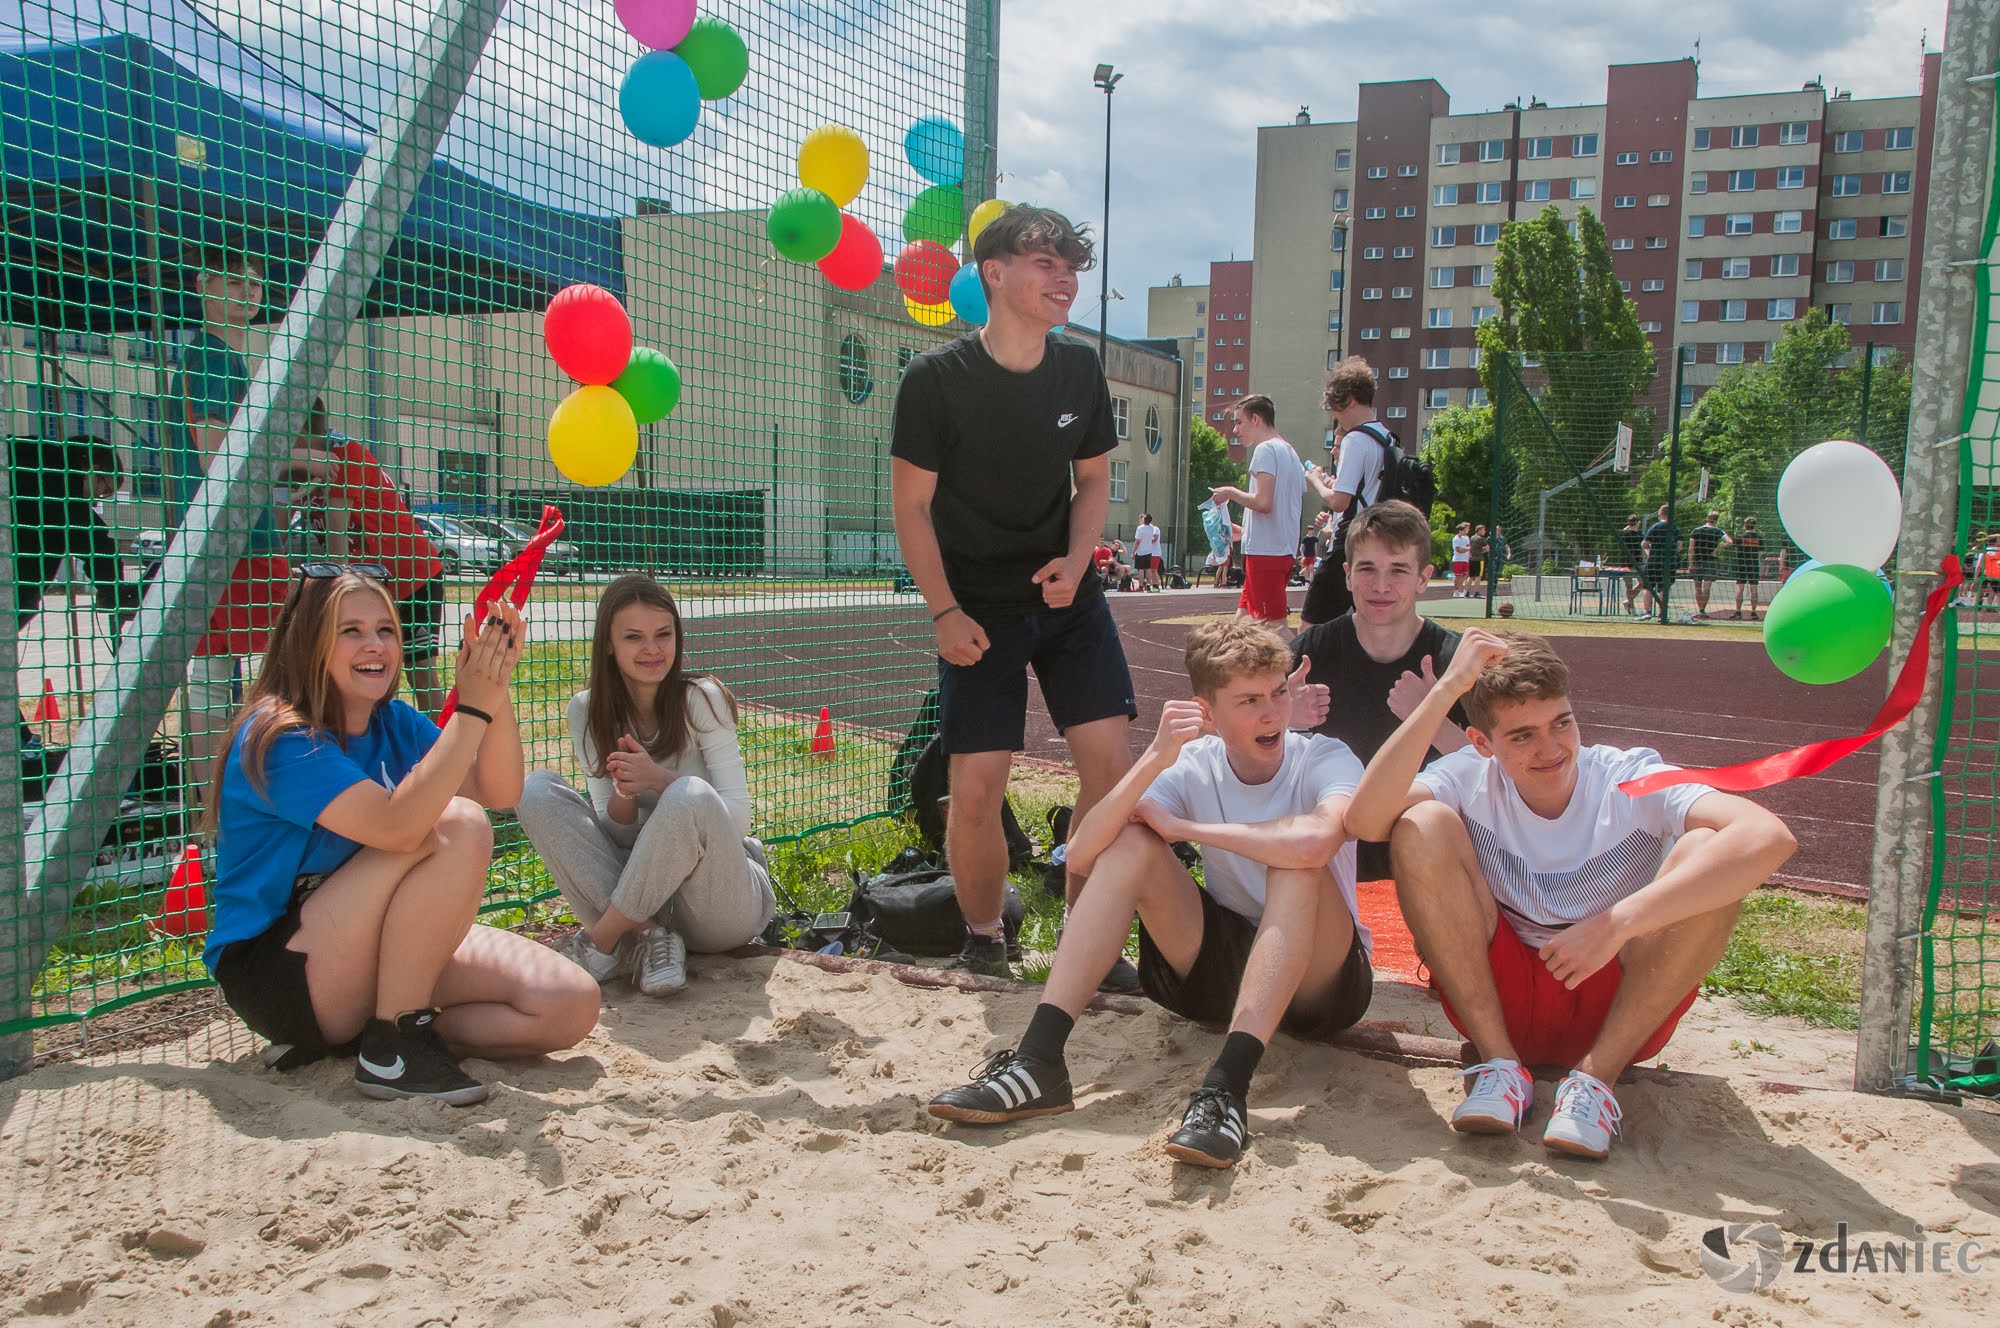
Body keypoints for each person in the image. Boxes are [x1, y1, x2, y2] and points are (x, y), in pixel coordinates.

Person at [926, 621, 1371, 1169]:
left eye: (1279, 692)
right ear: (1206, 712)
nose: (1273, 713)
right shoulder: (1193, 764)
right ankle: (1038, 1060)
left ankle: (1225, 1090)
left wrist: (1188, 831)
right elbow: (1084, 854)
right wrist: (1153, 759)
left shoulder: (1324, 755)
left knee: (1295, 863)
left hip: (1322, 986)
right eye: (1250, 700)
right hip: (1225, 972)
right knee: (1131, 842)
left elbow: (1315, 843)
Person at [1345, 629, 1796, 1160]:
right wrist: (1445, 691)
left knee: (1711, 847)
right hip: (1499, 1003)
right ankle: (1500, 1069)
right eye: (1522, 736)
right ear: (1483, 745)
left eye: (1562, 722)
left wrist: (1616, 923)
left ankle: (1594, 1084)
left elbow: (1769, 838)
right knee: (1420, 822)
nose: (1551, 748)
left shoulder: (1628, 777)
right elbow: (1364, 818)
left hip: (1620, 1006)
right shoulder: (1468, 775)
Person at [203, 567, 598, 1104]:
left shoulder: (393, 721)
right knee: (455, 823)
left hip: (370, 947)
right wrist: (471, 708)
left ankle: (383, 1031)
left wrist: (493, 690)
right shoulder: (280, 737)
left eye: (385, 629)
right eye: (351, 631)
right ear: (307, 642)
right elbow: (398, 826)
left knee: (567, 1003)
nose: (375, 645)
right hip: (284, 972)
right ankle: (394, 1046)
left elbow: (500, 789)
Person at [890, 205, 1137, 981]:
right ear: (993, 273)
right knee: (976, 787)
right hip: (979, 611)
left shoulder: (1080, 370)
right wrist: (944, 610)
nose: (1065, 279)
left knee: (1109, 767)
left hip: (1070, 600)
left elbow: (1092, 477)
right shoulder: (935, 380)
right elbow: (911, 505)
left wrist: (1075, 557)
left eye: (1071, 266)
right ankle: (985, 940)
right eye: (1046, 263)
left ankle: (1085, 942)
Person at [517, 575, 776, 998]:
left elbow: (738, 820)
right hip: (645, 900)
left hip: (718, 905)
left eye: (663, 634)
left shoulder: (703, 698)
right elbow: (616, 831)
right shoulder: (587, 711)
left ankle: (600, 942)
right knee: (535, 790)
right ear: (609, 644)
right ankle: (651, 938)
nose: (652, 649)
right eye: (634, 637)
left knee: (689, 793)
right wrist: (625, 791)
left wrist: (661, 781)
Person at [166, 251, 326, 794]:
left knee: (218, 681)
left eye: (255, 282)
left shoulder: (217, 359)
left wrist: (286, 484)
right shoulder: (211, 359)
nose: (248, 291)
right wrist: (309, 459)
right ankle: (245, 798)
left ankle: (215, 809)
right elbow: (218, 456)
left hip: (227, 540)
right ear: (201, 284)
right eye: (233, 280)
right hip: (233, 547)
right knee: (280, 674)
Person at [1288, 500, 1470, 881]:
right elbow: (1226, 744)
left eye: (1398, 570)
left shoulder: (1458, 664)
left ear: (1424, 577)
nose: (1381, 586)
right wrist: (1280, 719)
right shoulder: (1306, 658)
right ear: (1348, 575)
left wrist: (1432, 716)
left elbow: (1503, 774)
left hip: (1427, 859)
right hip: (1329, 859)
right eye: (1367, 569)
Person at [313, 402, 449, 714]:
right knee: (372, 677)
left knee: (420, 672)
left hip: (411, 577)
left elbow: (337, 551)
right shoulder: (298, 469)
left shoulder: (342, 456)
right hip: (376, 585)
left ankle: (447, 752)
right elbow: (279, 529)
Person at [1299, 357, 1391, 626]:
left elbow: (1339, 502)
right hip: (1378, 538)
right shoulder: (1385, 436)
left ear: (1348, 400)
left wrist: (1315, 481)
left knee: (1310, 629)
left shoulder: (1355, 439)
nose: (1334, 414)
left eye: (1333, 407)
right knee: (1362, 626)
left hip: (1349, 544)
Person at [9, 434, 136, 629]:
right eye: (103, 489)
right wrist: (114, 591)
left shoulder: (23, 460)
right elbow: (96, 543)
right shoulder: (56, 482)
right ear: (93, 470)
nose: (95, 501)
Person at [1208, 395, 1305, 636]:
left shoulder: (1265, 450)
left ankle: (1303, 673)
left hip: (1266, 553)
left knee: (1274, 627)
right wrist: (1243, 531)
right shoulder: (1291, 453)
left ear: (1256, 419)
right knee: (1242, 623)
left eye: (1239, 422)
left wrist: (1230, 491)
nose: (1235, 429)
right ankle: (1234, 672)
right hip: (1278, 549)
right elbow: (1283, 507)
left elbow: (1263, 502)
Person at [1686, 510, 1731, 621]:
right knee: (1707, 586)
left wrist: (1690, 563)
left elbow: (1691, 548)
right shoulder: (1717, 531)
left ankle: (1700, 609)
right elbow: (1730, 541)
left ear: (1707, 518)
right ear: (1716, 520)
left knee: (1697, 586)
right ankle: (1702, 609)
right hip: (1710, 560)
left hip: (1697, 560)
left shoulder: (1696, 530)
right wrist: (1718, 548)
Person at [1641, 504, 1680, 620]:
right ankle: (1662, 612)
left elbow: (1644, 543)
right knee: (1664, 588)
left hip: (1654, 561)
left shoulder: (1654, 527)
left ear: (1660, 514)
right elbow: (1680, 546)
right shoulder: (1675, 528)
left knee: (1648, 587)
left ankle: (1646, 611)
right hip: (1669, 562)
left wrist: (1649, 552)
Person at [1730, 515, 1764, 621]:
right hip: (1753, 565)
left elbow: (1733, 546)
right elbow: (1761, 552)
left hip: (1742, 564)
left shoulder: (1740, 537)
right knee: (1754, 588)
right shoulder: (1759, 538)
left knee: (1740, 587)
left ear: (1745, 525)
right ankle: (1753, 612)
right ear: (1755, 525)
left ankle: (1738, 611)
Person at [1614, 514, 1646, 616]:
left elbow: (1624, 530)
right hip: (1635, 564)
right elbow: (1643, 551)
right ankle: (1630, 603)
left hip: (1624, 563)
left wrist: (1629, 525)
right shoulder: (1640, 536)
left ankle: (1630, 605)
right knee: (1643, 582)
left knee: (1629, 586)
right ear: (1638, 523)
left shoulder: (1623, 534)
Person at [1133, 512, 1164, 591]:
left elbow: (1139, 540)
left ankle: (1152, 585)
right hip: (1149, 552)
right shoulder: (1150, 528)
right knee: (1149, 569)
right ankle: (1150, 585)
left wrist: (1134, 551)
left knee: (1149, 569)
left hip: (1153, 552)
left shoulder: (1153, 528)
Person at [1449, 522, 1472, 597]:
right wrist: (1468, 549)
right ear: (1460, 531)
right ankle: (1455, 592)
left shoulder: (1465, 538)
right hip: (1458, 560)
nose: (1465, 531)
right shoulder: (1456, 539)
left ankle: (1460, 591)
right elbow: (1459, 550)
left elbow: (1467, 547)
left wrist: (1469, 554)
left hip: (1465, 560)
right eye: (1464, 530)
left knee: (1464, 576)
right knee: (1458, 576)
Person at [1468, 524, 1488, 596]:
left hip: (1471, 559)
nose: (1485, 531)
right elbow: (1487, 548)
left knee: (1470, 576)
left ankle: (1467, 592)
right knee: (1478, 576)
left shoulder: (1472, 538)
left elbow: (1470, 547)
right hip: (1479, 559)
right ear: (1479, 530)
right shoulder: (1482, 539)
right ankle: (1476, 592)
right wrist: (1482, 551)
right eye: (1483, 530)